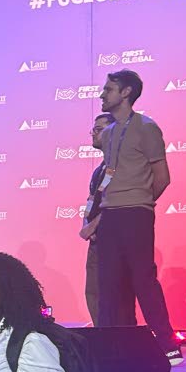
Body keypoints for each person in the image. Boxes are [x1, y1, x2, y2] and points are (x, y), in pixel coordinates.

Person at [94, 70, 181, 365]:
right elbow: (110, 173)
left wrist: (140, 201)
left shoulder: (146, 127)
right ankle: (108, 349)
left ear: (126, 92)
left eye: (109, 89)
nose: (102, 94)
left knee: (143, 281)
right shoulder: (107, 134)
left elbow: (162, 177)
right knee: (107, 285)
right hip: (109, 214)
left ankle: (169, 346)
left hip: (136, 213)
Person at [80, 113, 121, 326]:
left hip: (113, 240)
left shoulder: (121, 164)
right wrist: (86, 223)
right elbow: (91, 199)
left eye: (99, 129)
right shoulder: (99, 170)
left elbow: (117, 202)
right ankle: (101, 338)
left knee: (113, 295)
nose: (93, 133)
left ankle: (116, 341)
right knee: (93, 292)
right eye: (93, 129)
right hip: (96, 241)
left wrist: (94, 225)